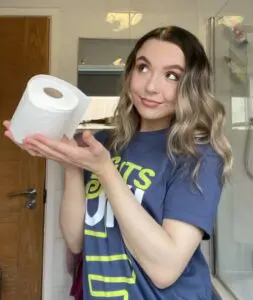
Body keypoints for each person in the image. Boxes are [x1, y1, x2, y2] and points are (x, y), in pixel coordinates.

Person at [3, 26, 232, 300]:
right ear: (129, 74)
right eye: (143, 68)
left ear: (192, 86)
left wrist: (105, 170)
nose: (150, 86)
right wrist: (71, 165)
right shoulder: (104, 143)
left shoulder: (197, 156)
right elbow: (76, 241)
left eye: (172, 76)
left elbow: (165, 270)